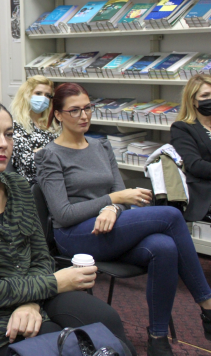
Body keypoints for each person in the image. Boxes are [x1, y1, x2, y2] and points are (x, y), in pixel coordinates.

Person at [0, 97, 134, 356]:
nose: (3, 143)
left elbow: (41, 256)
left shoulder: (18, 186)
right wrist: (53, 283)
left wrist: (31, 301)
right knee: (62, 343)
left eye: (9, 134)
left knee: (107, 322)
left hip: (32, 293)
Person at [35, 83, 211, 356]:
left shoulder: (101, 146)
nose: (84, 115)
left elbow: (122, 198)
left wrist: (112, 208)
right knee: (170, 215)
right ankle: (208, 305)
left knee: (164, 246)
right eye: (74, 110)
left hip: (111, 226)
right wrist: (112, 200)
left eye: (87, 108)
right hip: (74, 236)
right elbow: (63, 214)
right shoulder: (49, 155)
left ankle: (158, 339)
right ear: (58, 114)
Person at [170, 74, 211, 221]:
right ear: (193, 100)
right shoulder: (182, 128)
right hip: (205, 192)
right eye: (205, 95)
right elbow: (194, 165)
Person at [9, 75, 58, 184]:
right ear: (26, 95)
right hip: (33, 185)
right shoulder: (15, 128)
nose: (43, 98)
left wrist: (40, 152)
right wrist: (52, 153)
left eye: (47, 95)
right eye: (38, 93)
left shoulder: (52, 126)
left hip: (56, 179)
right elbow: (28, 164)